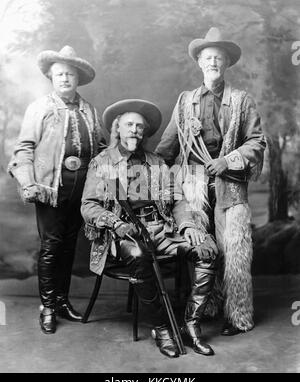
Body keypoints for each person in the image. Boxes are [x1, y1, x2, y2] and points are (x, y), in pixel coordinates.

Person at [81, 99, 218, 358]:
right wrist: (116, 223)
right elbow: (88, 205)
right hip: (121, 236)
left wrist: (188, 225)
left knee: (207, 250)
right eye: (129, 124)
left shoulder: (156, 162)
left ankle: (191, 324)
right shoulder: (103, 162)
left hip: (161, 228)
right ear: (117, 128)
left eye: (140, 126)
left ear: (144, 132)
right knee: (140, 257)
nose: (134, 130)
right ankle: (163, 328)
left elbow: (177, 198)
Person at [155, 27, 266, 335]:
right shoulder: (185, 101)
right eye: (208, 57)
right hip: (194, 187)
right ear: (199, 63)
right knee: (203, 248)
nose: (213, 62)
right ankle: (208, 305)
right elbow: (167, 147)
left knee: (235, 251)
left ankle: (238, 316)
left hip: (230, 187)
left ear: (227, 63)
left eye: (219, 57)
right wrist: (151, 173)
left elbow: (257, 142)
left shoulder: (242, 101)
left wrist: (227, 161)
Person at [8, 46, 106, 334]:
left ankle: (62, 302)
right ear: (51, 77)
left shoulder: (89, 109)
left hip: (82, 190)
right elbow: (23, 149)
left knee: (68, 248)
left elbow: (100, 148)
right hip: (51, 189)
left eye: (70, 74)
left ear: (78, 79)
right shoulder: (40, 107)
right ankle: (48, 307)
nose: (65, 79)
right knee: (51, 248)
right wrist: (28, 182)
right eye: (60, 74)